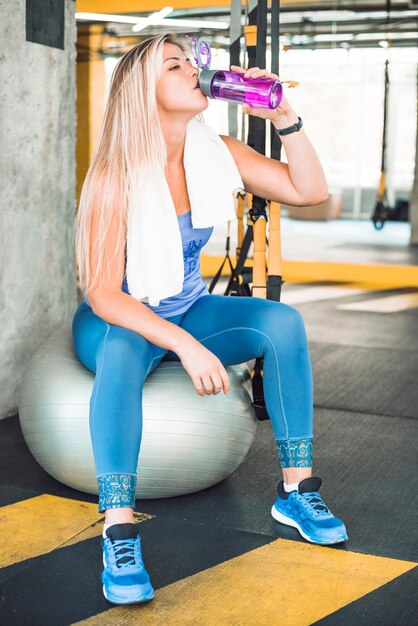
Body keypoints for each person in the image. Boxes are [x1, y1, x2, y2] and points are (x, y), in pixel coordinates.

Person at [72, 31, 347, 606]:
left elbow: (310, 190)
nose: (193, 70)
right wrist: (187, 346)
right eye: (175, 65)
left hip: (188, 306)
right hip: (120, 321)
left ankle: (296, 490)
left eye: (190, 61)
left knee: (283, 322)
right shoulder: (112, 177)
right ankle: (118, 529)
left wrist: (285, 116)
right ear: (143, 93)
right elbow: (102, 294)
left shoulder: (216, 153)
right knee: (124, 345)